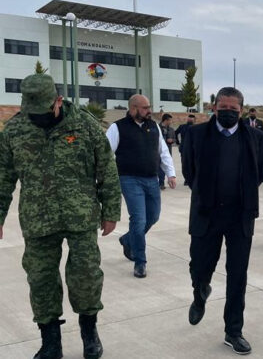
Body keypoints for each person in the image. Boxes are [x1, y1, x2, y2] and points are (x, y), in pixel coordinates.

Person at [0, 73, 121, 359]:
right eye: (33, 112)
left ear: (57, 101)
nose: (38, 118)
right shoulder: (14, 130)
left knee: (86, 277)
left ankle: (89, 333)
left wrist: (111, 211)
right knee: (41, 280)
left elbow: (106, 168)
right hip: (37, 218)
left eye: (43, 112)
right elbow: (3, 177)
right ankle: (51, 342)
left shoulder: (84, 124)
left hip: (80, 216)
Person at [181, 87, 263, 355]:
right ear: (214, 107)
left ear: (242, 110)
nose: (227, 112)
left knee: (238, 275)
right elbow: (189, 170)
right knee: (200, 266)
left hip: (240, 216)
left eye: (233, 109)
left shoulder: (255, 137)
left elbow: (259, 172)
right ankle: (200, 290)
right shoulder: (195, 135)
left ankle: (233, 330)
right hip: (207, 213)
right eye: (222, 108)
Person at [107, 94, 177, 278]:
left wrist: (171, 173)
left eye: (149, 107)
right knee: (138, 220)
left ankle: (128, 239)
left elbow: (163, 152)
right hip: (129, 179)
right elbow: (106, 154)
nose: (149, 111)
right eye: (145, 108)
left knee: (152, 217)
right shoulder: (117, 127)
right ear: (133, 108)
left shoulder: (153, 126)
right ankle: (140, 262)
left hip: (152, 179)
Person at [159, 113, 176, 190]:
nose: (171, 122)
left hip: (167, 151)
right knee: (158, 168)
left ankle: (161, 183)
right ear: (166, 120)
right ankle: (160, 183)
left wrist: (172, 140)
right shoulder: (157, 128)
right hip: (157, 152)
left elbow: (175, 139)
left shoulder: (171, 129)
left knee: (164, 167)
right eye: (170, 120)